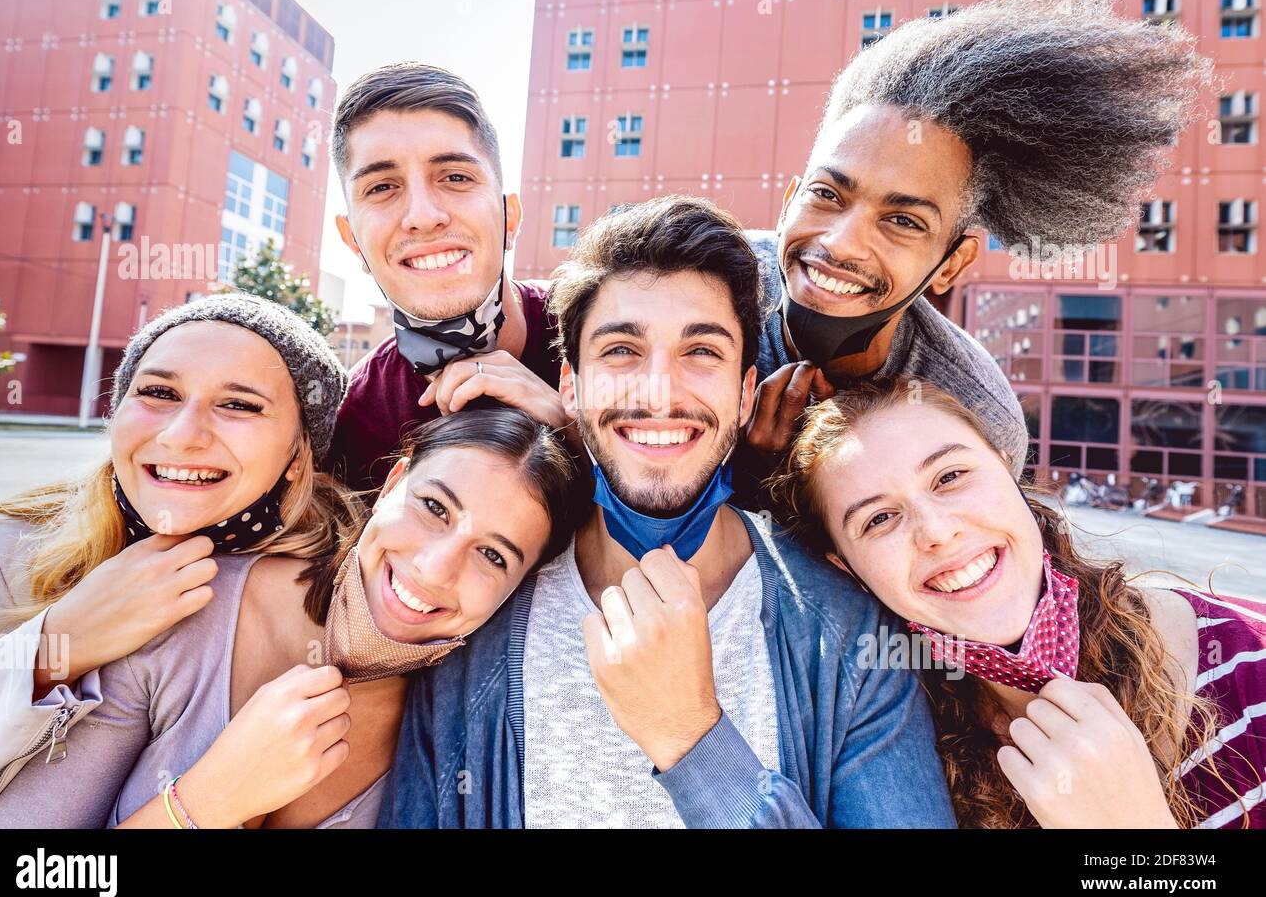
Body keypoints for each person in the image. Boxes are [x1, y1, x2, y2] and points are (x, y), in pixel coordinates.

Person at [380, 195, 957, 828]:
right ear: (570, 387)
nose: (658, 391)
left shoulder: (849, 638)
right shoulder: (474, 631)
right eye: (622, 350)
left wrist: (693, 741)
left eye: (702, 352)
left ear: (743, 393)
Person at [0, 404, 579, 828]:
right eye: (433, 507)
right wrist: (204, 805)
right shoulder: (191, 611)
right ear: (394, 479)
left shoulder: (460, 726)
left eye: (494, 555)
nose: (435, 567)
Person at [742, 0, 1212, 491]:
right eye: (826, 194)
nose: (842, 242)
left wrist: (771, 480)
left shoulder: (973, 417)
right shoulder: (698, 281)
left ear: (952, 263)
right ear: (790, 199)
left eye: (903, 221)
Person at [769, 378, 1265, 828]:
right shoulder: (885, 753)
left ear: (1009, 470)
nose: (939, 533)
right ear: (847, 569)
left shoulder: (1248, 661)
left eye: (950, 476)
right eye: (878, 520)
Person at [0, 293, 355, 825]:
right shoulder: (12, 547)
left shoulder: (327, 608)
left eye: (239, 404)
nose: (180, 435)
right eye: (157, 392)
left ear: (298, 453)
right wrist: (56, 645)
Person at [327, 62, 568, 493]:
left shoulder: (609, 340)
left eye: (456, 177)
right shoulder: (349, 427)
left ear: (509, 216)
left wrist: (576, 434)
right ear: (353, 241)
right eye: (382, 187)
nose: (422, 217)